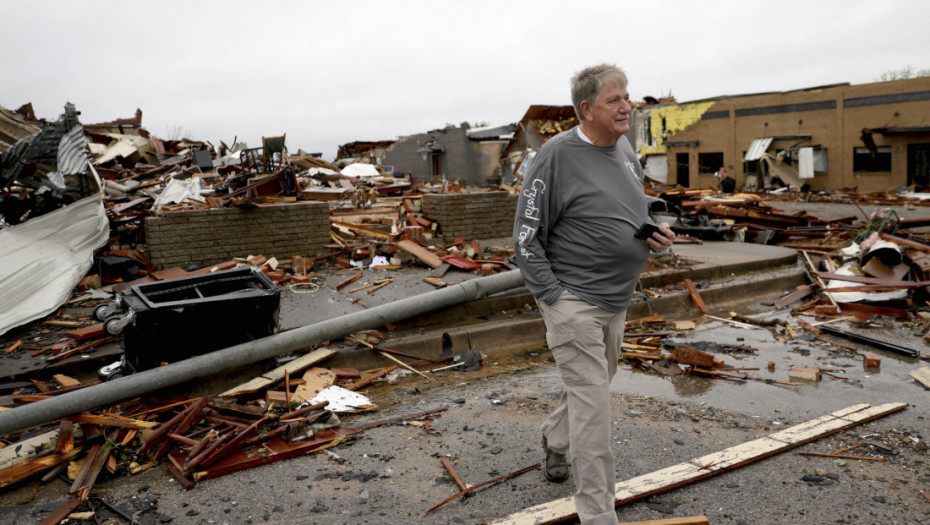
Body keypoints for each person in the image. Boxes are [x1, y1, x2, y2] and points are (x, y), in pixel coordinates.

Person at [512, 63, 675, 525]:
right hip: (573, 303)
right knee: (595, 413)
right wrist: (555, 299)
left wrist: (652, 231)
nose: (627, 106)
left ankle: (555, 440)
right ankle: (599, 514)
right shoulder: (554, 157)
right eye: (613, 100)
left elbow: (625, 201)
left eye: (628, 96)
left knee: (594, 390)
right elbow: (525, 239)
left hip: (616, 299)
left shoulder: (624, 147)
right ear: (586, 109)